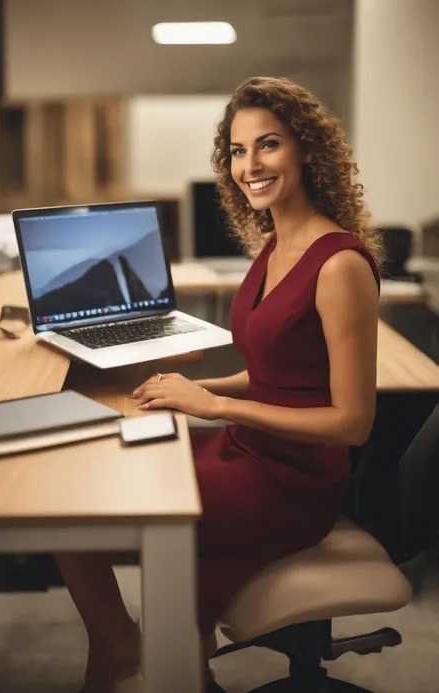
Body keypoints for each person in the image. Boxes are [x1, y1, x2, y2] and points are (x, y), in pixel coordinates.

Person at [55, 76, 382, 693]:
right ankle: (123, 644)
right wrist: (195, 389)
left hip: (295, 478)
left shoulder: (338, 264)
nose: (249, 166)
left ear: (307, 151)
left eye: (268, 145)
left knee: (95, 510)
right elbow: (274, 376)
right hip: (250, 450)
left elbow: (352, 421)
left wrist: (213, 406)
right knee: (79, 486)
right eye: (236, 150)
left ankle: (125, 650)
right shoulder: (273, 244)